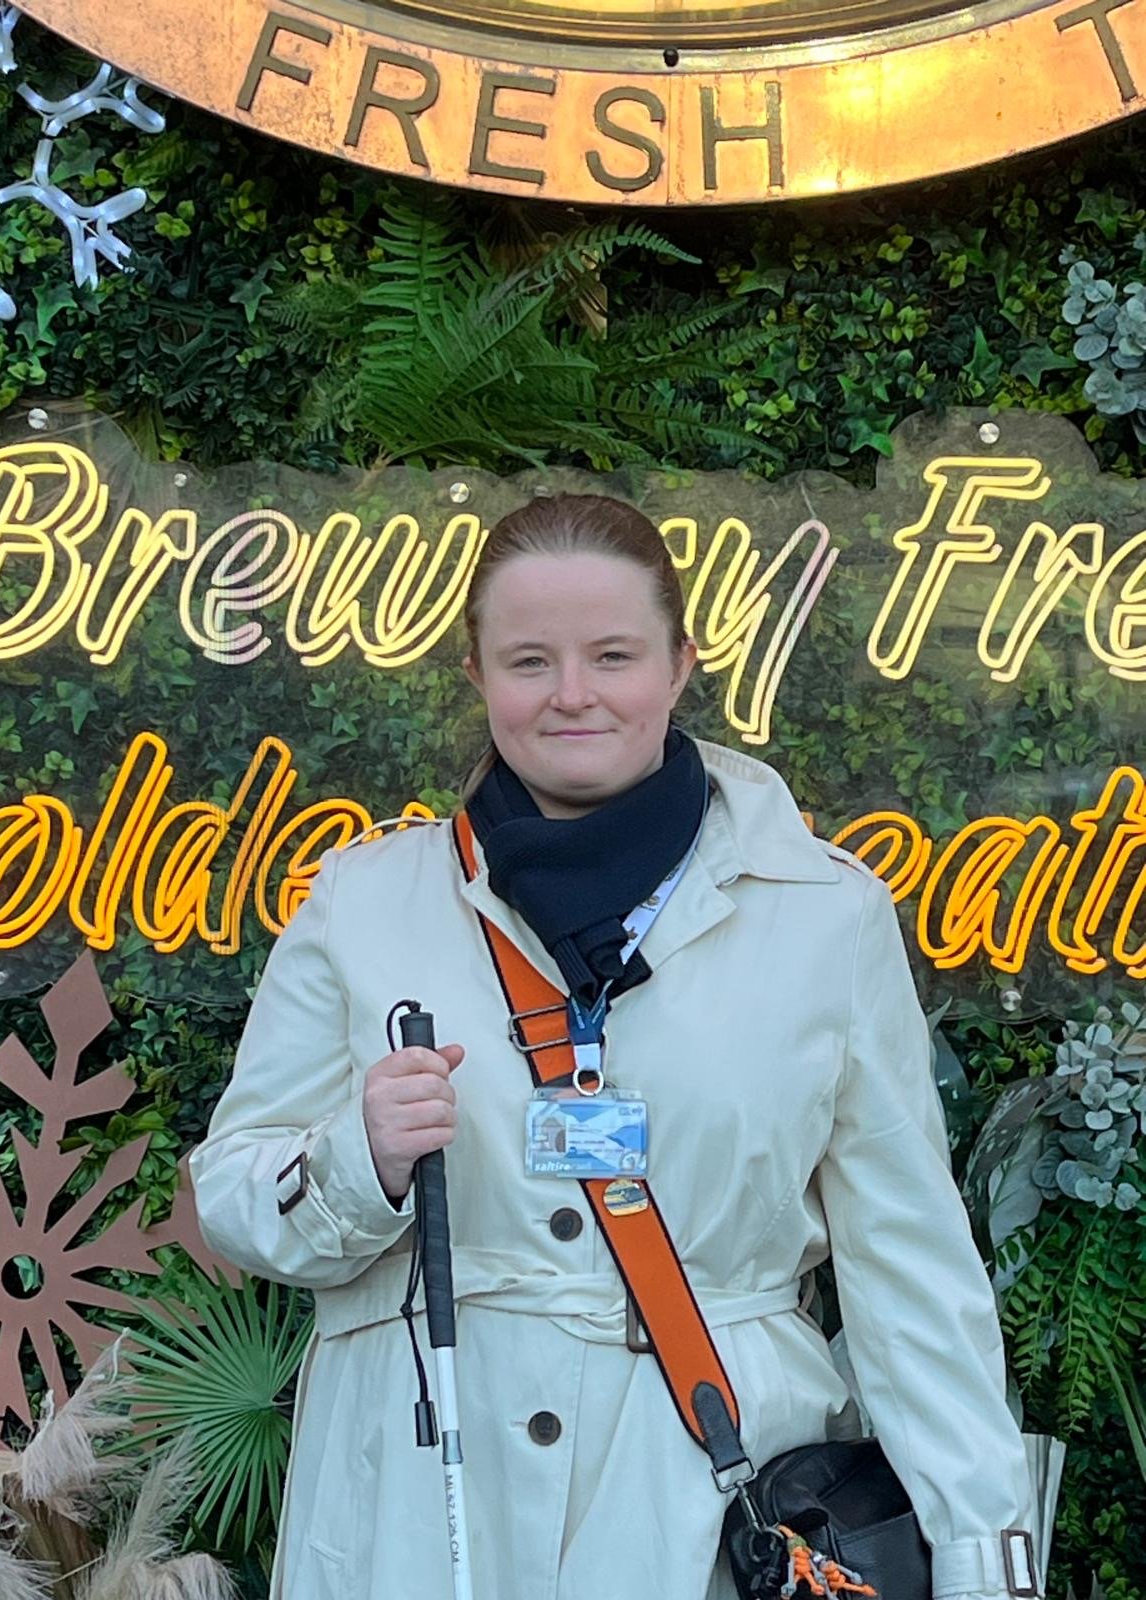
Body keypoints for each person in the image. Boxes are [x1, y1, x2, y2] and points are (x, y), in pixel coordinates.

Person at [189, 493, 1038, 1600]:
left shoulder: (825, 917)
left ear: (681, 664)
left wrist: (981, 1554)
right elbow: (233, 1194)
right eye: (530, 660)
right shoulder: (364, 902)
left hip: (699, 1510)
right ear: (477, 672)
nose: (572, 693)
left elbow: (910, 1266)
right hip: (421, 1506)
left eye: (613, 655)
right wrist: (362, 1160)